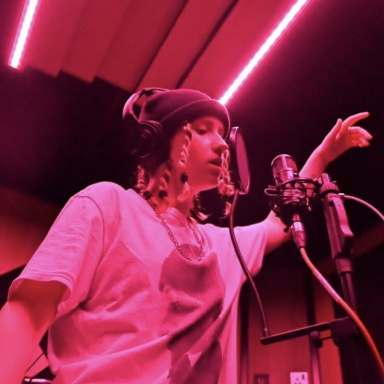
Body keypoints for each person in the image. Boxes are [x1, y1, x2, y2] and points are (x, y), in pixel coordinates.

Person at [0, 88, 372, 384]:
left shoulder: (223, 245)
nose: (223, 143)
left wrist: (322, 156)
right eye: (204, 129)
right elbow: (28, 310)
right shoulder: (106, 205)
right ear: (156, 140)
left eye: (223, 134)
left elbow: (281, 221)